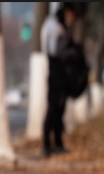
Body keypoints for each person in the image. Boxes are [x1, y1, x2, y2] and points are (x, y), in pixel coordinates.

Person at [40, 3, 76, 156]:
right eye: (70, 15)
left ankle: (57, 144)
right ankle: (47, 145)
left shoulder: (53, 25)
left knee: (58, 111)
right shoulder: (55, 28)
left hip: (57, 73)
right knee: (53, 109)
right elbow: (57, 52)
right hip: (56, 74)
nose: (71, 19)